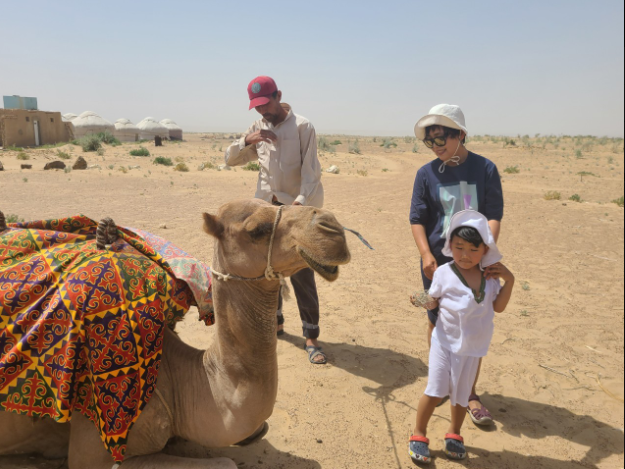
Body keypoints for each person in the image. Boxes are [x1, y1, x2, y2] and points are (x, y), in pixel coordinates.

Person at [410, 104, 504, 425]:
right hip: (438, 264)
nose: (435, 146)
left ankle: (469, 393)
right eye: (430, 141)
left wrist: (484, 255)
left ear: (460, 134)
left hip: (476, 263)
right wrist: (426, 254)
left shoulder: (485, 169)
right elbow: (417, 218)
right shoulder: (425, 174)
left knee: (474, 324)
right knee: (437, 320)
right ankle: (440, 384)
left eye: (441, 139)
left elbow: (493, 215)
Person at [225, 75, 327, 364]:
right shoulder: (257, 128)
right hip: (266, 210)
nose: (262, 111)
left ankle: (311, 337)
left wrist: (299, 204)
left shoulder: (303, 127)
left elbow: (311, 172)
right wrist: (247, 140)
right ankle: (276, 323)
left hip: (296, 210)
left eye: (265, 104)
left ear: (278, 96)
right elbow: (230, 159)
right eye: (257, 106)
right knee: (267, 270)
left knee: (301, 273)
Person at [409, 210, 515, 464]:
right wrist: (421, 299)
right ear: (450, 245)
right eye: (459, 247)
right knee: (435, 391)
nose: (465, 255)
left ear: (485, 250)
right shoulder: (444, 273)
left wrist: (509, 280)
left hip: (472, 348)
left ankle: (454, 434)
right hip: (444, 344)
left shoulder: (490, 278)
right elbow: (434, 301)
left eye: (473, 249)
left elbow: (499, 307)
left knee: (462, 394)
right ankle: (419, 433)